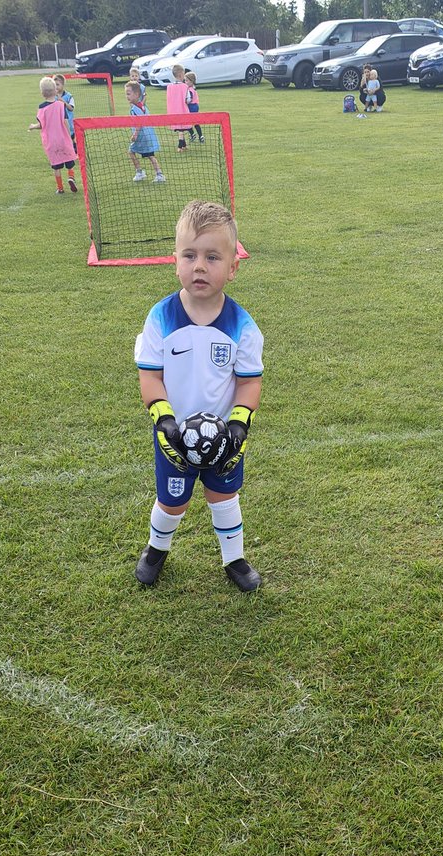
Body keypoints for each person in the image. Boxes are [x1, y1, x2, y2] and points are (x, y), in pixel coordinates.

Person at [133, 200, 264, 593]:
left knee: (224, 495)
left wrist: (240, 423)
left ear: (233, 267)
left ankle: (234, 558)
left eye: (212, 257)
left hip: (223, 438)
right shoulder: (160, 317)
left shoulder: (242, 325)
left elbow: (249, 382)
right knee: (172, 502)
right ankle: (156, 549)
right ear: (175, 261)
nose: (200, 266)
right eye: (189, 255)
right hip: (172, 438)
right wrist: (164, 419)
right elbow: (150, 376)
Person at [28, 76, 77, 194]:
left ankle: (60, 188)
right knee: (69, 161)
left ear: (42, 93)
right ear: (55, 90)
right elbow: (65, 122)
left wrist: (33, 126)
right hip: (63, 139)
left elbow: (42, 125)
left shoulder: (42, 108)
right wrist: (69, 135)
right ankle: (71, 177)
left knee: (57, 166)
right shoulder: (61, 105)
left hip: (51, 141)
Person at [125, 81, 165, 183]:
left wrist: (135, 134)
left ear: (137, 94)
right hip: (147, 136)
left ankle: (143, 173)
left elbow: (139, 122)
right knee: (149, 155)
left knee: (133, 152)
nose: (127, 96)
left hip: (141, 137)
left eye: (129, 94)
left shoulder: (135, 109)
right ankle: (156, 173)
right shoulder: (142, 106)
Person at [166, 63, 191, 151]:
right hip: (182, 110)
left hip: (173, 111)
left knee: (181, 129)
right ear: (181, 75)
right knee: (181, 129)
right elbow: (188, 99)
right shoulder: (185, 87)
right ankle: (179, 146)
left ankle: (184, 145)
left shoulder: (169, 87)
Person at [53, 73, 76, 150]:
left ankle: (74, 149)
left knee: (70, 137)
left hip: (68, 122)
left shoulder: (69, 96)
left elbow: (71, 108)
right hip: (57, 122)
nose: (55, 87)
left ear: (63, 85)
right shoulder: (52, 96)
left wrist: (63, 102)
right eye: (54, 85)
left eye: (57, 84)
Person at [185, 70, 204, 142]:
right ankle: (200, 136)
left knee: (188, 122)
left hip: (192, 106)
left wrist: (185, 102)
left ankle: (193, 134)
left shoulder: (190, 90)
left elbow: (189, 99)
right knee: (194, 122)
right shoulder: (193, 88)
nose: (185, 82)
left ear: (191, 81)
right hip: (195, 106)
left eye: (186, 80)